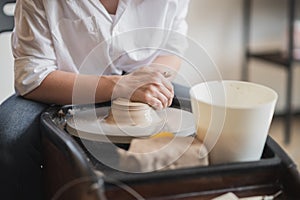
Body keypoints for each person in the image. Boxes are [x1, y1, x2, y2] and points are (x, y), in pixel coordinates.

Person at [0, 0, 190, 199]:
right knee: (8, 134)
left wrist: (146, 82)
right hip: (61, 90)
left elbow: (171, 49)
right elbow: (32, 77)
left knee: (205, 114)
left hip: (140, 87)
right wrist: (118, 86)